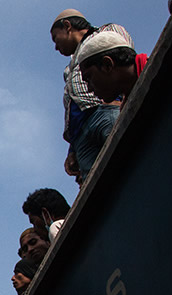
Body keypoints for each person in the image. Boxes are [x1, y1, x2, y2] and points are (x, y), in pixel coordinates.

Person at [50, 10, 133, 184]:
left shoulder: (106, 32)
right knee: (95, 184)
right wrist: (72, 148)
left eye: (55, 38)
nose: (56, 47)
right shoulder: (70, 67)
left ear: (67, 26)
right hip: (80, 133)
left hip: (104, 112)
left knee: (127, 158)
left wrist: (116, 100)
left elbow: (125, 61)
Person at [78, 32, 149, 110]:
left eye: (89, 78)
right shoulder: (126, 108)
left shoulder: (161, 74)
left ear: (107, 65)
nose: (89, 89)